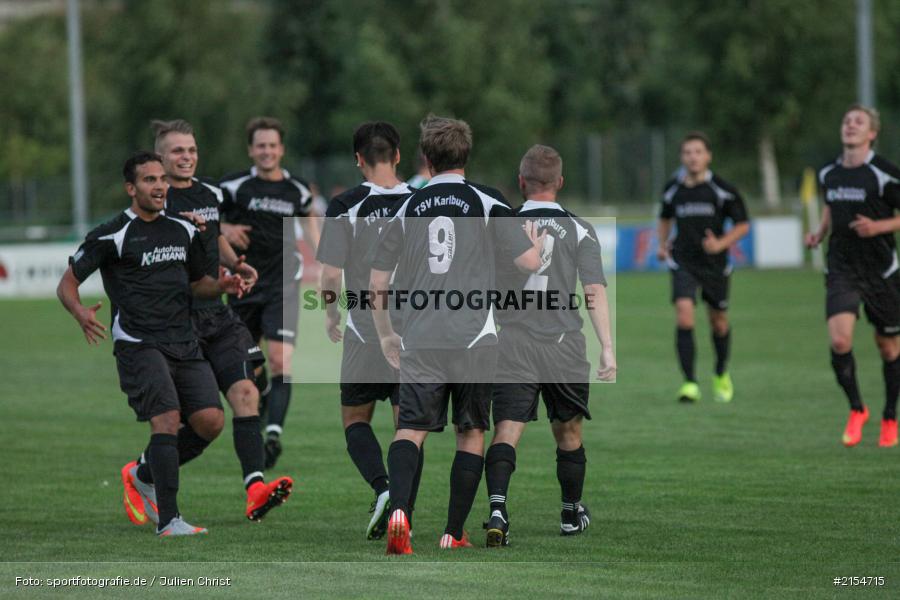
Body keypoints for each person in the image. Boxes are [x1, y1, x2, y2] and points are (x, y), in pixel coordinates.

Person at [370, 115, 543, 554]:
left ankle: (400, 515)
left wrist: (388, 334)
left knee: (410, 429)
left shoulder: (407, 205)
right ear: (466, 155)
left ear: (426, 159)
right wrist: (535, 245)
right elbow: (526, 264)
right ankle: (453, 532)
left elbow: (377, 284)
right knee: (470, 433)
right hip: (474, 337)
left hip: (421, 335)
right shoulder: (487, 201)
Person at [57, 151, 246, 536]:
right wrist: (80, 313)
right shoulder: (112, 234)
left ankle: (144, 474)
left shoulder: (184, 229)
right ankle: (170, 519)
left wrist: (222, 284)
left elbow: (198, 284)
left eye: (161, 179)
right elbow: (67, 283)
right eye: (149, 180)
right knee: (167, 418)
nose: (159, 186)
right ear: (131, 188)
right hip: (139, 343)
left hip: (184, 339)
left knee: (211, 422)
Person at [139, 119, 293, 522]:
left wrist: (236, 264)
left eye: (190, 150)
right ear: (160, 157)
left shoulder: (209, 193)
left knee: (247, 392)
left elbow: (215, 240)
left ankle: (255, 488)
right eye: (177, 151)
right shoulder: (155, 203)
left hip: (219, 316)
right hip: (179, 325)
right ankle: (142, 471)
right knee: (208, 422)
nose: (186, 157)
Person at [485, 145, 616, 547]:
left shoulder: (501, 224)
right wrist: (607, 346)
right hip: (563, 345)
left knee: (506, 429)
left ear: (521, 182)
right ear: (560, 182)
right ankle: (570, 512)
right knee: (568, 431)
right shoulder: (580, 228)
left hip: (512, 341)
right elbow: (592, 290)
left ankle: (497, 510)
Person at [317, 122, 416, 540]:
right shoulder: (421, 202)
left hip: (362, 327)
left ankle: (382, 489)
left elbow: (329, 275)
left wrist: (330, 315)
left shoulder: (345, 205)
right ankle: (401, 512)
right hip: (412, 330)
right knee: (406, 428)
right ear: (397, 155)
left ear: (358, 160)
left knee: (355, 420)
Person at [220, 117, 321, 469]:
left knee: (280, 360)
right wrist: (225, 227)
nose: (266, 151)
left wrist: (327, 269)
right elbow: (202, 217)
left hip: (283, 286)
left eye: (272, 145)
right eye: (260, 145)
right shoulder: (233, 187)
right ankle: (261, 400)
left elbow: (312, 227)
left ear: (281, 149)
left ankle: (273, 434)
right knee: (250, 368)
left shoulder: (297, 190)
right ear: (251, 150)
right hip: (243, 287)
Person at [806, 104, 900, 448]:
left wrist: (880, 226)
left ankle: (890, 415)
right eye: (846, 120)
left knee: (889, 348)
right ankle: (857, 409)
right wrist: (819, 232)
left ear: (872, 133)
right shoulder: (828, 172)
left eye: (858, 121)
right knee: (840, 341)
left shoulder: (885, 173)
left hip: (881, 271)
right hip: (842, 269)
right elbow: (832, 204)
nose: (850, 125)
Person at [656, 132, 749, 404]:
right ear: (682, 157)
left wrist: (721, 244)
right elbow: (664, 219)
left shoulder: (723, 189)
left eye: (698, 152)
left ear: (708, 156)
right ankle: (689, 383)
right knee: (684, 316)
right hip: (683, 261)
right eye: (687, 152)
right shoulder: (673, 189)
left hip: (715, 265)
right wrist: (662, 245)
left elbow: (743, 224)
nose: (692, 157)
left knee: (718, 322)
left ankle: (720, 373)